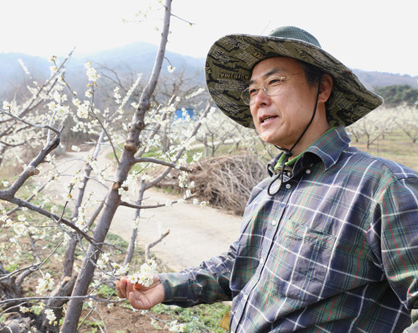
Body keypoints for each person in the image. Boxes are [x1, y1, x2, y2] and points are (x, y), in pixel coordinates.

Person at [116, 26, 418, 332]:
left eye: (274, 82)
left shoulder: (383, 186)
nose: (259, 99)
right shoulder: (267, 190)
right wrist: (167, 286)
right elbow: (243, 263)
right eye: (251, 91)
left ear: (322, 89)